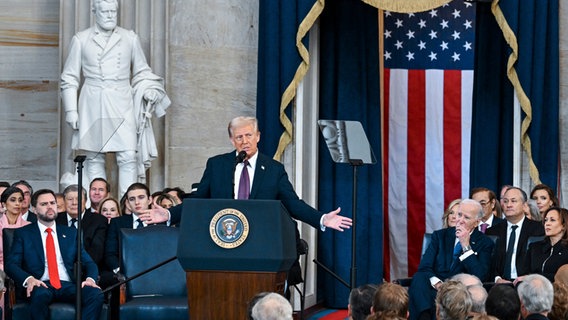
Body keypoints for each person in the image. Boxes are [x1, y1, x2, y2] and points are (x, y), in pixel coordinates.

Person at [140, 116, 352, 284]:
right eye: (239, 137)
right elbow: (198, 200)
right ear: (232, 140)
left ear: (258, 136)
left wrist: (322, 219)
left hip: (260, 247)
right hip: (222, 246)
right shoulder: (218, 165)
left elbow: (293, 203)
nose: (244, 141)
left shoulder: (273, 170)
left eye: (249, 135)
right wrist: (169, 214)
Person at [60, 0, 171, 197]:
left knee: (128, 156)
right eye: (106, 11)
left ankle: (127, 207)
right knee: (94, 158)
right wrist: (71, 110)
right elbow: (69, 77)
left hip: (122, 101)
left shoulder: (129, 38)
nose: (111, 15)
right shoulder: (81, 39)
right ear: (95, 12)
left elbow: (141, 71)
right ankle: (98, 209)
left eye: (114, 11)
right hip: (93, 101)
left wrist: (148, 89)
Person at [4, 189, 103, 320]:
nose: (50, 206)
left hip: (67, 285)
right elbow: (11, 264)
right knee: (40, 295)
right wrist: (29, 279)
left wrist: (90, 279)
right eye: (44, 204)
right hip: (40, 284)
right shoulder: (23, 233)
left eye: (52, 203)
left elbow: (89, 262)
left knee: (95, 293)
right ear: (34, 209)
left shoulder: (71, 233)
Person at [408, 199, 494, 320]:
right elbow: (424, 267)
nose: (459, 220)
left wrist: (466, 246)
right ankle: (425, 316)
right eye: (459, 214)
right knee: (419, 277)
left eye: (466, 217)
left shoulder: (485, 243)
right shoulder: (440, 236)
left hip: (460, 291)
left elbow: (480, 276)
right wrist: (438, 284)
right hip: (436, 288)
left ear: (476, 222)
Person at [486, 187, 545, 283]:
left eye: (513, 201)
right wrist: (497, 279)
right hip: (499, 284)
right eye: (505, 201)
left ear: (524, 205)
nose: (508, 205)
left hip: (528, 283)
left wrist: (527, 278)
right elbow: (488, 262)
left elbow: (540, 262)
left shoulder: (538, 230)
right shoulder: (492, 232)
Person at [56, 185, 108, 271]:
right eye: (70, 199)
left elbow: (97, 251)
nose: (74, 203)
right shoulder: (56, 220)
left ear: (86, 201)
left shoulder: (98, 221)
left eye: (78, 199)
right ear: (64, 202)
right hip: (61, 270)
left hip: (88, 269)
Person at [518, 207, 568, 283]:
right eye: (545, 220)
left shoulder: (566, 250)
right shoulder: (534, 247)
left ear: (563, 225)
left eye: (552, 220)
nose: (547, 223)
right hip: (532, 289)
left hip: (559, 291)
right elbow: (524, 273)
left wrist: (536, 277)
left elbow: (563, 277)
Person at [0, 187, 31, 269]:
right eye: (13, 200)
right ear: (3, 204)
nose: (17, 203)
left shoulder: (30, 226)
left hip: (24, 271)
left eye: (20, 200)